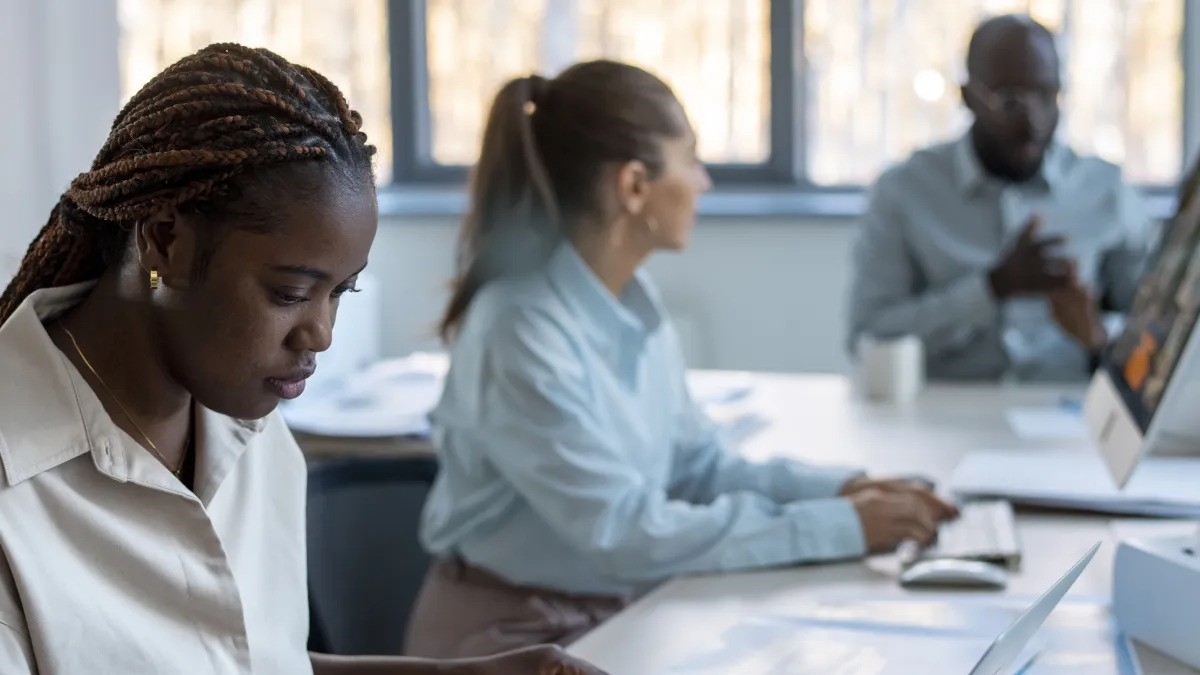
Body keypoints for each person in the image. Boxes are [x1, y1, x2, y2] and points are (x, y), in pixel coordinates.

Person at [0, 43, 603, 675]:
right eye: (290, 293)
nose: (320, 334)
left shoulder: (255, 433)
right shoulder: (17, 486)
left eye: (341, 292)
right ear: (165, 242)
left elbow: (259, 662)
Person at [404, 60, 958, 659]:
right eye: (691, 159)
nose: (704, 182)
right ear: (634, 186)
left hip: (614, 612)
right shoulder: (519, 329)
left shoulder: (634, 305)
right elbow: (624, 531)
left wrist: (844, 489)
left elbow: (696, 469)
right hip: (509, 643)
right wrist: (841, 526)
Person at [848, 14, 1153, 382]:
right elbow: (867, 337)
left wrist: (1098, 337)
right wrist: (991, 288)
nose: (1032, 120)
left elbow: (1160, 335)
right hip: (941, 420)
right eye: (1009, 100)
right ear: (968, 97)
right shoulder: (904, 191)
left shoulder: (1106, 191)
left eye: (1046, 95)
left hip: (1068, 420)